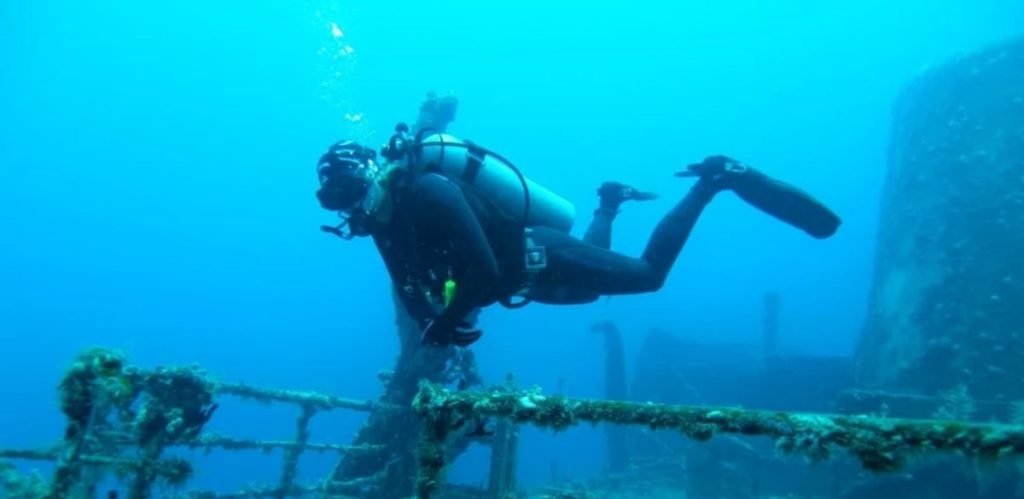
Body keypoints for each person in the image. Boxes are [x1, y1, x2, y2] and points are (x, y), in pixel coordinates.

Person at [314, 103, 840, 348]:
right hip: (526, 281)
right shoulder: (386, 226)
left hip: (536, 255)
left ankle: (715, 180)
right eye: (335, 203)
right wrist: (430, 319)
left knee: (647, 275)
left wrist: (447, 321)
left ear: (368, 176)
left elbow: (482, 265)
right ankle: (609, 201)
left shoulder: (429, 189)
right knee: (590, 295)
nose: (347, 211)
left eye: (347, 195)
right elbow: (406, 285)